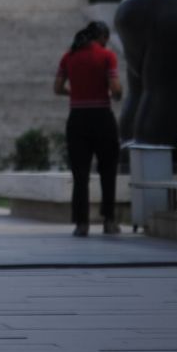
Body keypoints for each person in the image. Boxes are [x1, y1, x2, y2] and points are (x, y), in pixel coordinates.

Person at [55, 20, 123, 236]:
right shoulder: (107, 56)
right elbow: (115, 88)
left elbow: (57, 88)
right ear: (102, 37)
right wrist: (117, 94)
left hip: (77, 119)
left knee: (80, 174)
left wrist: (75, 94)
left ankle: (81, 224)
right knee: (108, 171)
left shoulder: (69, 56)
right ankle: (109, 221)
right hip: (102, 117)